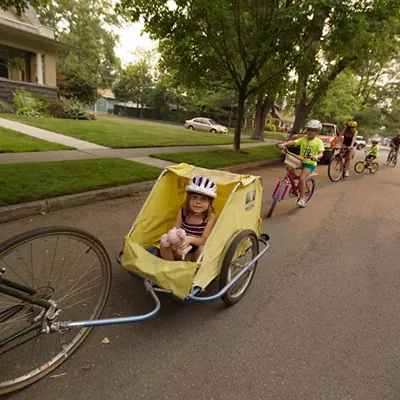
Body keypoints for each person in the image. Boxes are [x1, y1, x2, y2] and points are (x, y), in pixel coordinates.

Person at [160, 176, 217, 261]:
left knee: (202, 249)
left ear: (210, 202)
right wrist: (172, 239)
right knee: (164, 242)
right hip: (181, 243)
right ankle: (169, 266)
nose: (198, 202)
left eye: (203, 199)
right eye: (194, 197)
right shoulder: (183, 211)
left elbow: (204, 239)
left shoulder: (210, 217)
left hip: (195, 248)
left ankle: (191, 268)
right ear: (188, 199)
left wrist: (190, 239)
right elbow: (176, 228)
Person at [279, 119, 324, 207]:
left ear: (317, 132)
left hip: (310, 163)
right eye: (309, 129)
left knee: (302, 178)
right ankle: (296, 186)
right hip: (300, 160)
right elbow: (294, 142)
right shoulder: (304, 139)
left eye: (313, 130)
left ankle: (302, 198)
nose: (310, 132)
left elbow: (321, 153)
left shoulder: (319, 142)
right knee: (289, 167)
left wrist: (316, 157)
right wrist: (284, 144)